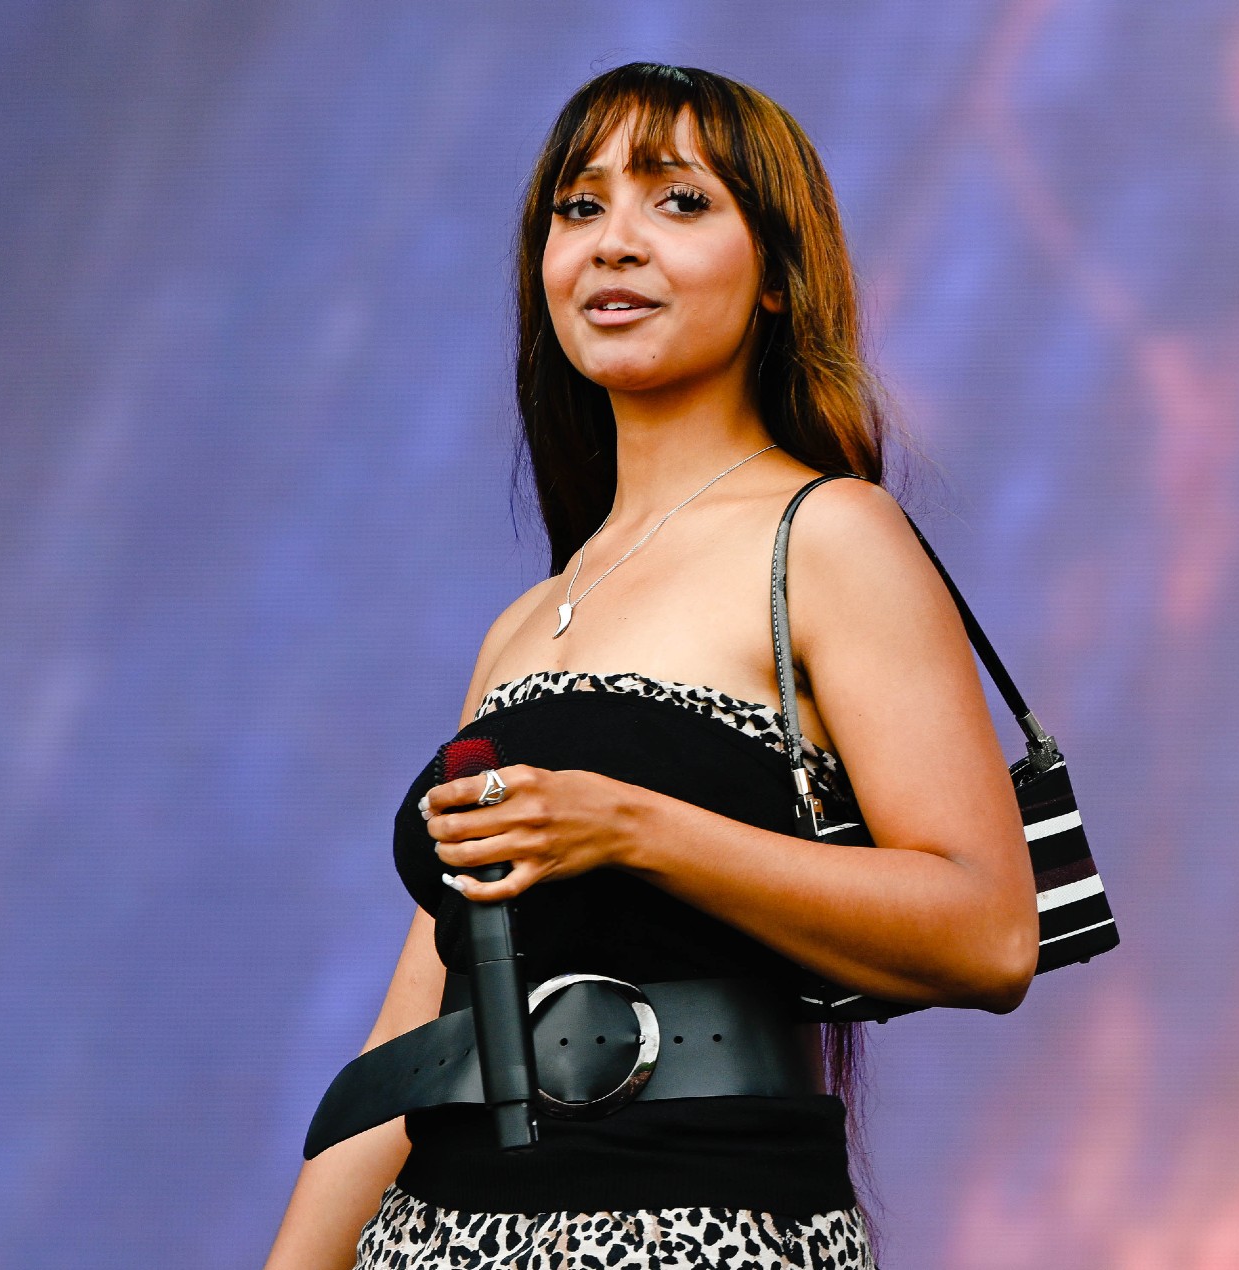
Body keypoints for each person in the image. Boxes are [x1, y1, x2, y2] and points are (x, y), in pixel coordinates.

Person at [265, 62, 1038, 1270]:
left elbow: (988, 934)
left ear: (780, 278)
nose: (614, 244)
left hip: (707, 1228)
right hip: (439, 1236)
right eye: (578, 209)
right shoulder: (524, 621)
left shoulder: (825, 535)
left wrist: (633, 826)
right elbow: (418, 1016)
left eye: (677, 202)